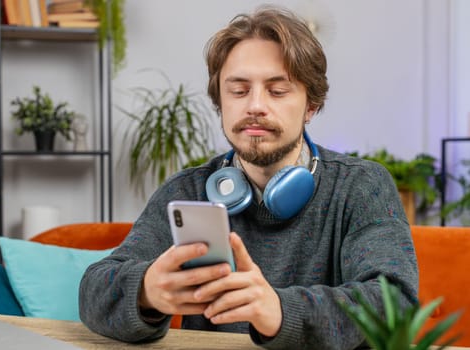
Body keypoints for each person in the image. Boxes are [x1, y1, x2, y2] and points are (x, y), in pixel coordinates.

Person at [79, 5, 418, 350]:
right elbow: (94, 289)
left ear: (311, 105)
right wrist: (146, 291)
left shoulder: (362, 186)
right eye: (239, 91)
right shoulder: (188, 190)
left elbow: (395, 301)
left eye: (277, 90)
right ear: (220, 102)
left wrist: (281, 311)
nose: (255, 105)